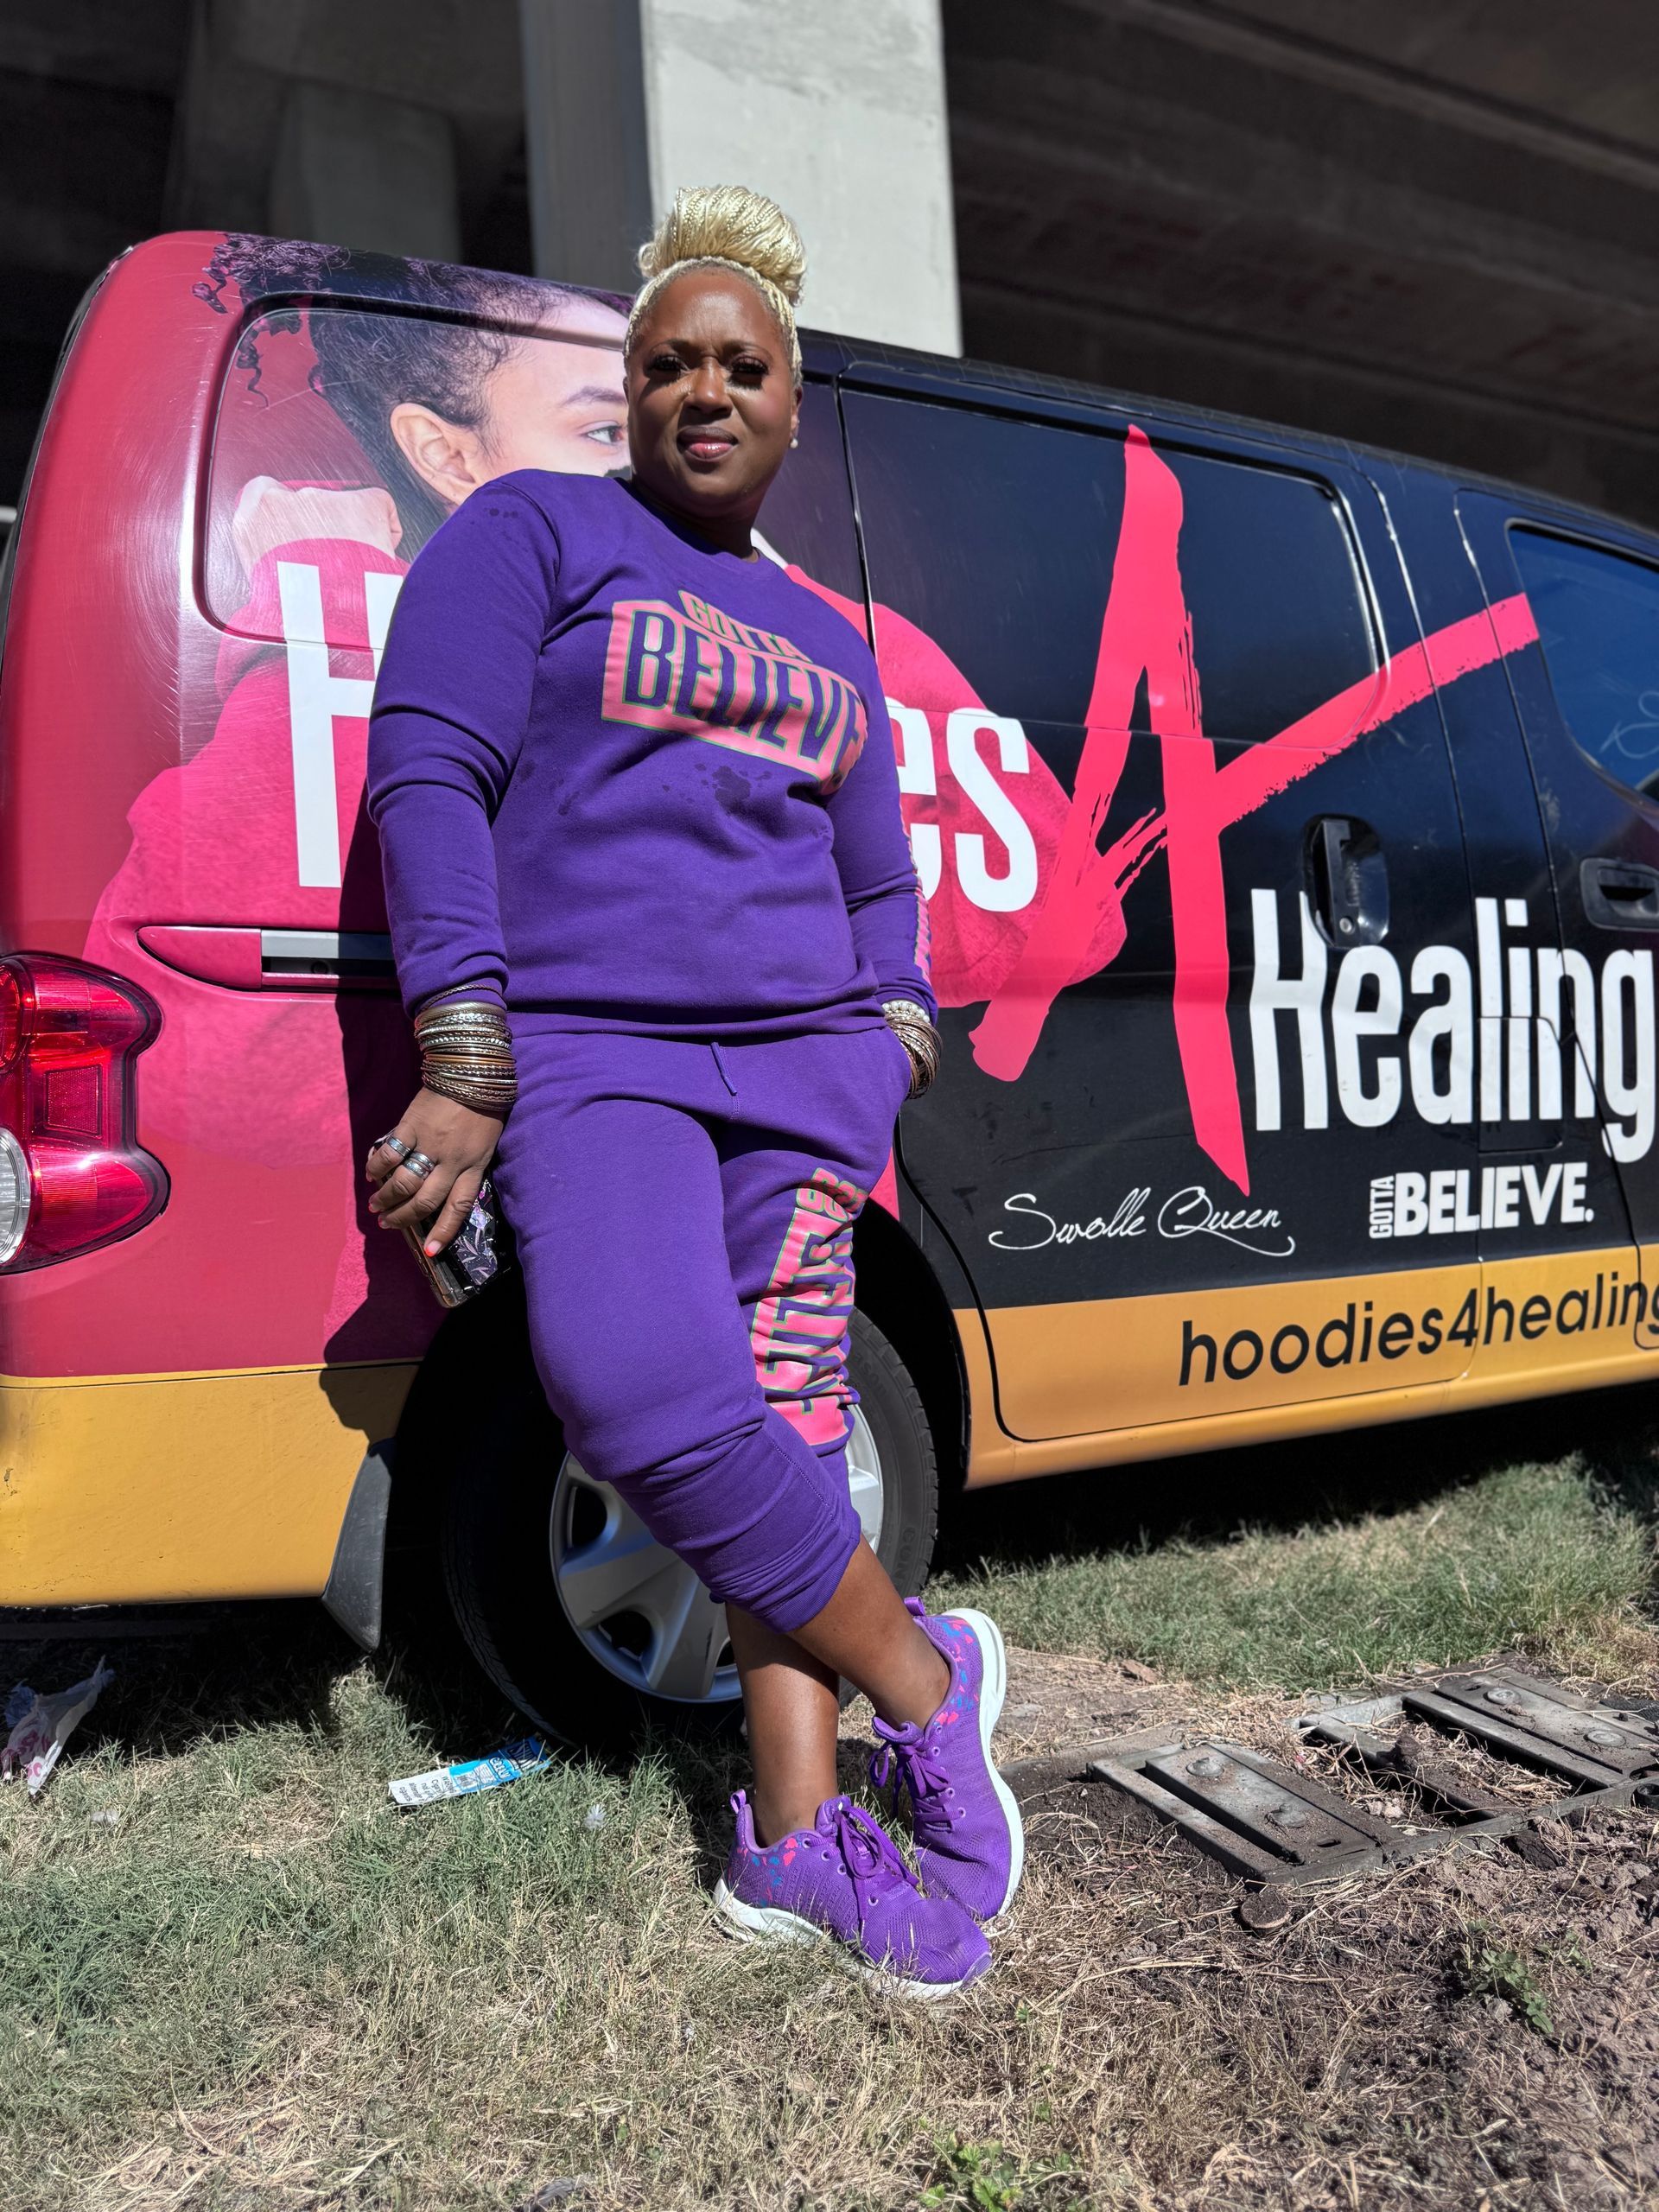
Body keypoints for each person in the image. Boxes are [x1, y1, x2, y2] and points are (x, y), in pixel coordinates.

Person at [364, 186, 1025, 1995]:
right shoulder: (535, 535)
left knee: (791, 1430)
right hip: (596, 1055)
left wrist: (887, 1035)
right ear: (631, 389)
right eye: (669, 364)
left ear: (792, 404)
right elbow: (428, 770)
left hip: (807, 1072)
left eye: (742, 366)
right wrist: (468, 1048)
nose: (704, 390)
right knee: (642, 1383)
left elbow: (883, 881)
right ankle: (928, 1682)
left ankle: (794, 1837)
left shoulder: (835, 637)